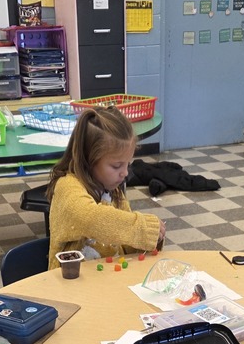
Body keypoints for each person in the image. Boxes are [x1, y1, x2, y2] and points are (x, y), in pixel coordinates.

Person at [47, 105, 165, 268]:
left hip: (108, 279)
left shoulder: (114, 191)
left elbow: (126, 243)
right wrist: (141, 228)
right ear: (89, 160)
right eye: (117, 166)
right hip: (68, 284)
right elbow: (90, 218)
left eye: (127, 164)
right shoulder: (67, 187)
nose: (124, 173)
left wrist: (149, 241)